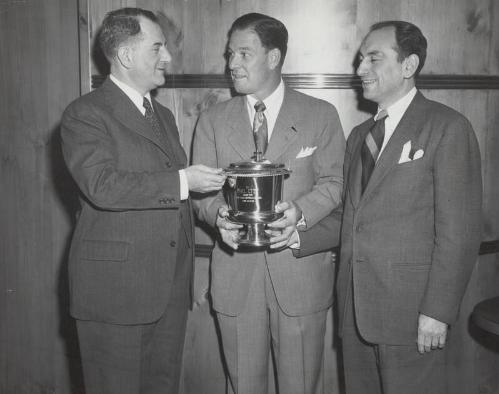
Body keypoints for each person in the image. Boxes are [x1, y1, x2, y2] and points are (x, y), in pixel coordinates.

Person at [296, 20, 483, 394]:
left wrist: (437, 312)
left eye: (373, 59)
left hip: (413, 315)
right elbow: (351, 219)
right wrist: (293, 235)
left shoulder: (448, 127)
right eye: (360, 59)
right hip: (355, 313)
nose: (360, 69)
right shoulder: (359, 137)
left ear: (409, 66)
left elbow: (458, 232)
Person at [60, 7, 226, 394]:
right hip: (115, 293)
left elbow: (176, 194)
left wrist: (219, 215)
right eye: (157, 48)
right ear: (127, 56)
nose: (167, 58)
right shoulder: (85, 114)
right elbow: (103, 185)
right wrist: (185, 180)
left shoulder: (164, 115)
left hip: (167, 288)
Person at [192, 13, 345, 394]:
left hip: (300, 278)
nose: (232, 64)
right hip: (235, 277)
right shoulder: (212, 120)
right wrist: (217, 215)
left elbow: (336, 181)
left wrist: (302, 212)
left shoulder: (320, 114)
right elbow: (203, 193)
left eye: (244, 53)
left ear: (274, 58)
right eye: (230, 54)